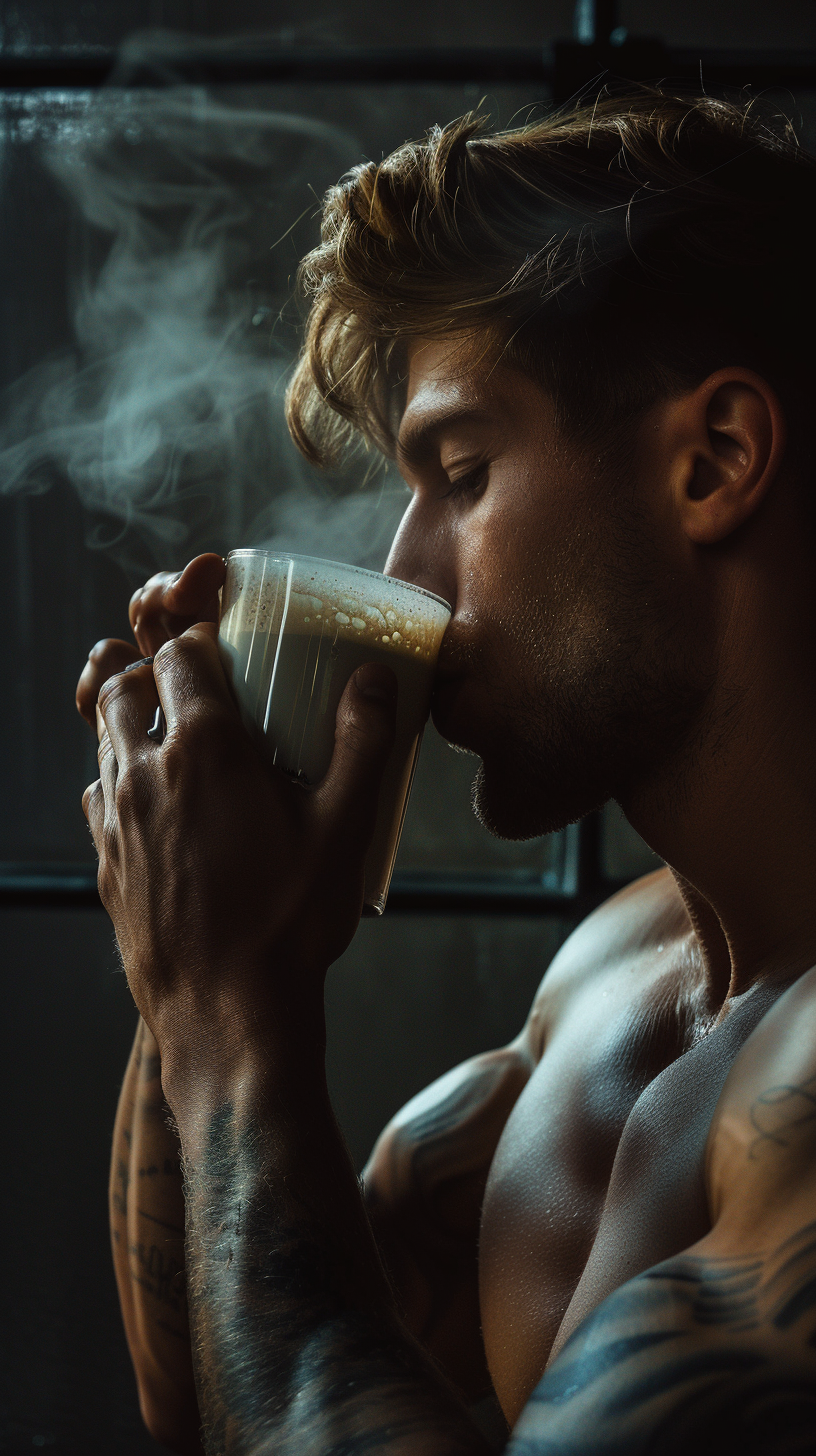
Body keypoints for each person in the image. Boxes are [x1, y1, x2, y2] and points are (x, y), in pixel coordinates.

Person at [76, 89, 816, 1455]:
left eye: (462, 473)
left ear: (714, 460)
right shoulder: (617, 975)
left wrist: (232, 1017)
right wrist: (199, 942)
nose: (408, 575)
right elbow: (221, 1396)